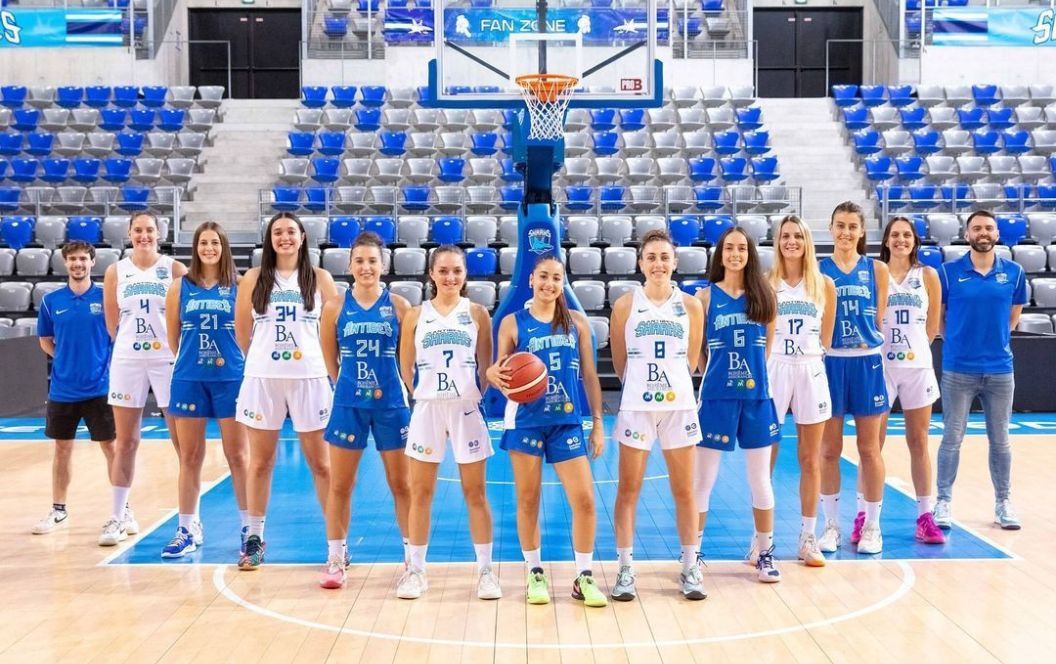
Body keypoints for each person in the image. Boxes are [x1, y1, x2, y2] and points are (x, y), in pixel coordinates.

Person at [486, 256, 608, 608]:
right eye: (543, 277)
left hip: (566, 421)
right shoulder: (512, 322)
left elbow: (590, 375)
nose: (549, 284)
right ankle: (534, 572)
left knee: (584, 500)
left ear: (563, 283)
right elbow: (500, 371)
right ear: (532, 280)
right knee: (528, 500)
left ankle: (584, 576)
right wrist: (494, 373)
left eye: (556, 278)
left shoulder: (578, 324)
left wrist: (597, 423)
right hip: (526, 421)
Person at [234, 212, 339, 569]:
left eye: (290, 232)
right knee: (260, 462)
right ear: (270, 239)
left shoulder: (321, 279)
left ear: (303, 237)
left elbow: (335, 330)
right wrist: (264, 361)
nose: (284, 238)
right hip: (264, 377)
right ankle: (254, 538)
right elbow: (241, 331)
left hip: (310, 376)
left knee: (322, 465)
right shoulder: (253, 278)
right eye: (277, 232)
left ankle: (335, 545)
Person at [396, 246, 498, 600]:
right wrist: (424, 394)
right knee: (420, 492)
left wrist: (466, 393)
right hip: (427, 409)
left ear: (465, 275)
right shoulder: (415, 314)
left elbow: (486, 366)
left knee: (476, 493)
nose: (450, 277)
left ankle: (486, 570)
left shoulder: (478, 314)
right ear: (432, 274)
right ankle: (416, 570)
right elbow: (405, 366)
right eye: (444, 271)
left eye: (457, 271)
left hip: (466, 407)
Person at [609, 229, 706, 602]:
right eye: (651, 257)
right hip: (637, 406)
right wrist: (638, 386)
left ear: (675, 262)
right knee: (628, 490)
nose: (658, 264)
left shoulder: (691, 305)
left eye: (665, 257)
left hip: (679, 405)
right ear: (640, 263)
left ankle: (690, 565)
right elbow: (620, 361)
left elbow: (692, 359)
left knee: (684, 490)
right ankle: (625, 569)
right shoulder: (624, 305)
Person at [318, 232, 412, 589]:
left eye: (372, 260)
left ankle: (411, 558)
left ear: (383, 265)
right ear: (349, 265)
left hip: (390, 403)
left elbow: (407, 360)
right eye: (359, 260)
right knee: (340, 485)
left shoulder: (401, 307)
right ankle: (336, 558)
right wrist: (343, 383)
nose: (366, 267)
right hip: (348, 402)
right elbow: (331, 358)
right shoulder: (334, 308)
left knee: (401, 484)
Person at [695, 227, 782, 583]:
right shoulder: (703, 298)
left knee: (760, 479)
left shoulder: (764, 296)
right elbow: (698, 351)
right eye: (729, 248)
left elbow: (768, 348)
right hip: (716, 397)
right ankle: (693, 554)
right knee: (704, 481)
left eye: (741, 248)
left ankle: (764, 553)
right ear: (720, 255)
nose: (735, 253)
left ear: (750, 254)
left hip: (757, 397)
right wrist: (711, 376)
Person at [935, 210, 1028, 530]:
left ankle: (1004, 502)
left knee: (1000, 440)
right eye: (977, 228)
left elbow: (1013, 317)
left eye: (989, 228)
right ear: (967, 233)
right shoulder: (948, 273)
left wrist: (994, 343)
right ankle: (943, 502)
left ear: (997, 234)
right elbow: (939, 317)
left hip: (1000, 370)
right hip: (958, 368)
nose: (983, 233)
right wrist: (958, 343)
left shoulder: (1015, 273)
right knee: (951, 438)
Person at [161, 221, 249, 557]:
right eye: (203, 243)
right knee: (190, 456)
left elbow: (247, 335)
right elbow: (173, 337)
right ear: (195, 249)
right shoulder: (179, 287)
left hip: (230, 378)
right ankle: (186, 527)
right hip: (189, 378)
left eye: (215, 242)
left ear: (223, 247)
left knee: (238, 456)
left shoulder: (239, 286)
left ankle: (247, 529)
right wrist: (191, 362)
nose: (209, 248)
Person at [101, 211, 187, 546]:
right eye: (138, 230)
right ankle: (118, 516)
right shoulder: (115, 271)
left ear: (159, 233)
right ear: (129, 233)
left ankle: (189, 519)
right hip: (128, 359)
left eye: (149, 230)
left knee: (181, 442)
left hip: (166, 358)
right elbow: (112, 324)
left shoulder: (173, 269)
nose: (144, 235)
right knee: (126, 442)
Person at [818, 201, 890, 555]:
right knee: (829, 450)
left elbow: (879, 320)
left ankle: (873, 526)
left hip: (866, 362)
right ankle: (831, 525)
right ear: (831, 229)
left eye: (852, 226)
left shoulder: (876, 270)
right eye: (840, 225)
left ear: (862, 232)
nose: (845, 232)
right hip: (831, 361)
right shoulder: (818, 271)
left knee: (869, 449)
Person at [32, 241, 117, 535]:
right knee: (62, 450)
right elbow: (45, 339)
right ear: (65, 264)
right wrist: (67, 358)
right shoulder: (50, 301)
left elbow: (116, 337)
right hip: (62, 390)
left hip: (100, 388)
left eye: (83, 258)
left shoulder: (107, 298)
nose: (78, 264)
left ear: (92, 262)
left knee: (111, 448)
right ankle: (58, 510)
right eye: (72, 259)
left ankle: (123, 510)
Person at [766, 216, 836, 566]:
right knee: (766, 458)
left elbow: (826, 338)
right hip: (775, 366)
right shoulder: (766, 283)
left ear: (807, 242)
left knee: (811, 459)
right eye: (785, 236)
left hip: (810, 367)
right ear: (777, 242)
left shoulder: (824, 285)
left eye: (797, 236)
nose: (791, 241)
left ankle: (808, 537)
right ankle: (760, 540)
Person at [878, 217, 945, 544]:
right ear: (887, 240)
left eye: (906, 235)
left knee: (918, 443)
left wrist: (913, 350)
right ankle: (867, 517)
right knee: (871, 446)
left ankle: (925, 515)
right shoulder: (877, 273)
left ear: (914, 241)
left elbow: (933, 327)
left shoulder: (928, 275)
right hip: (881, 366)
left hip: (917, 366)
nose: (901, 240)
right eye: (895, 235)